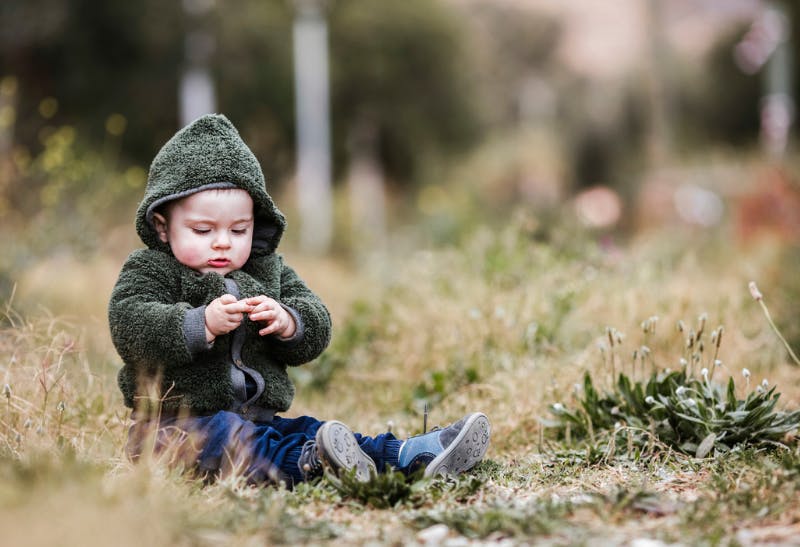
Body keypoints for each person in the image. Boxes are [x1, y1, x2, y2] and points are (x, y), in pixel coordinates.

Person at [108, 114, 491, 486]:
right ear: (163, 227)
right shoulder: (150, 270)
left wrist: (289, 322)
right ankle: (316, 465)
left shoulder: (268, 271)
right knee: (236, 439)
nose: (222, 242)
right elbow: (130, 323)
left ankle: (408, 454)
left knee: (309, 430)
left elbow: (317, 317)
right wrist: (199, 324)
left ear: (256, 223)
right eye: (203, 230)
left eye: (238, 230)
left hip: (260, 421)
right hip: (173, 429)